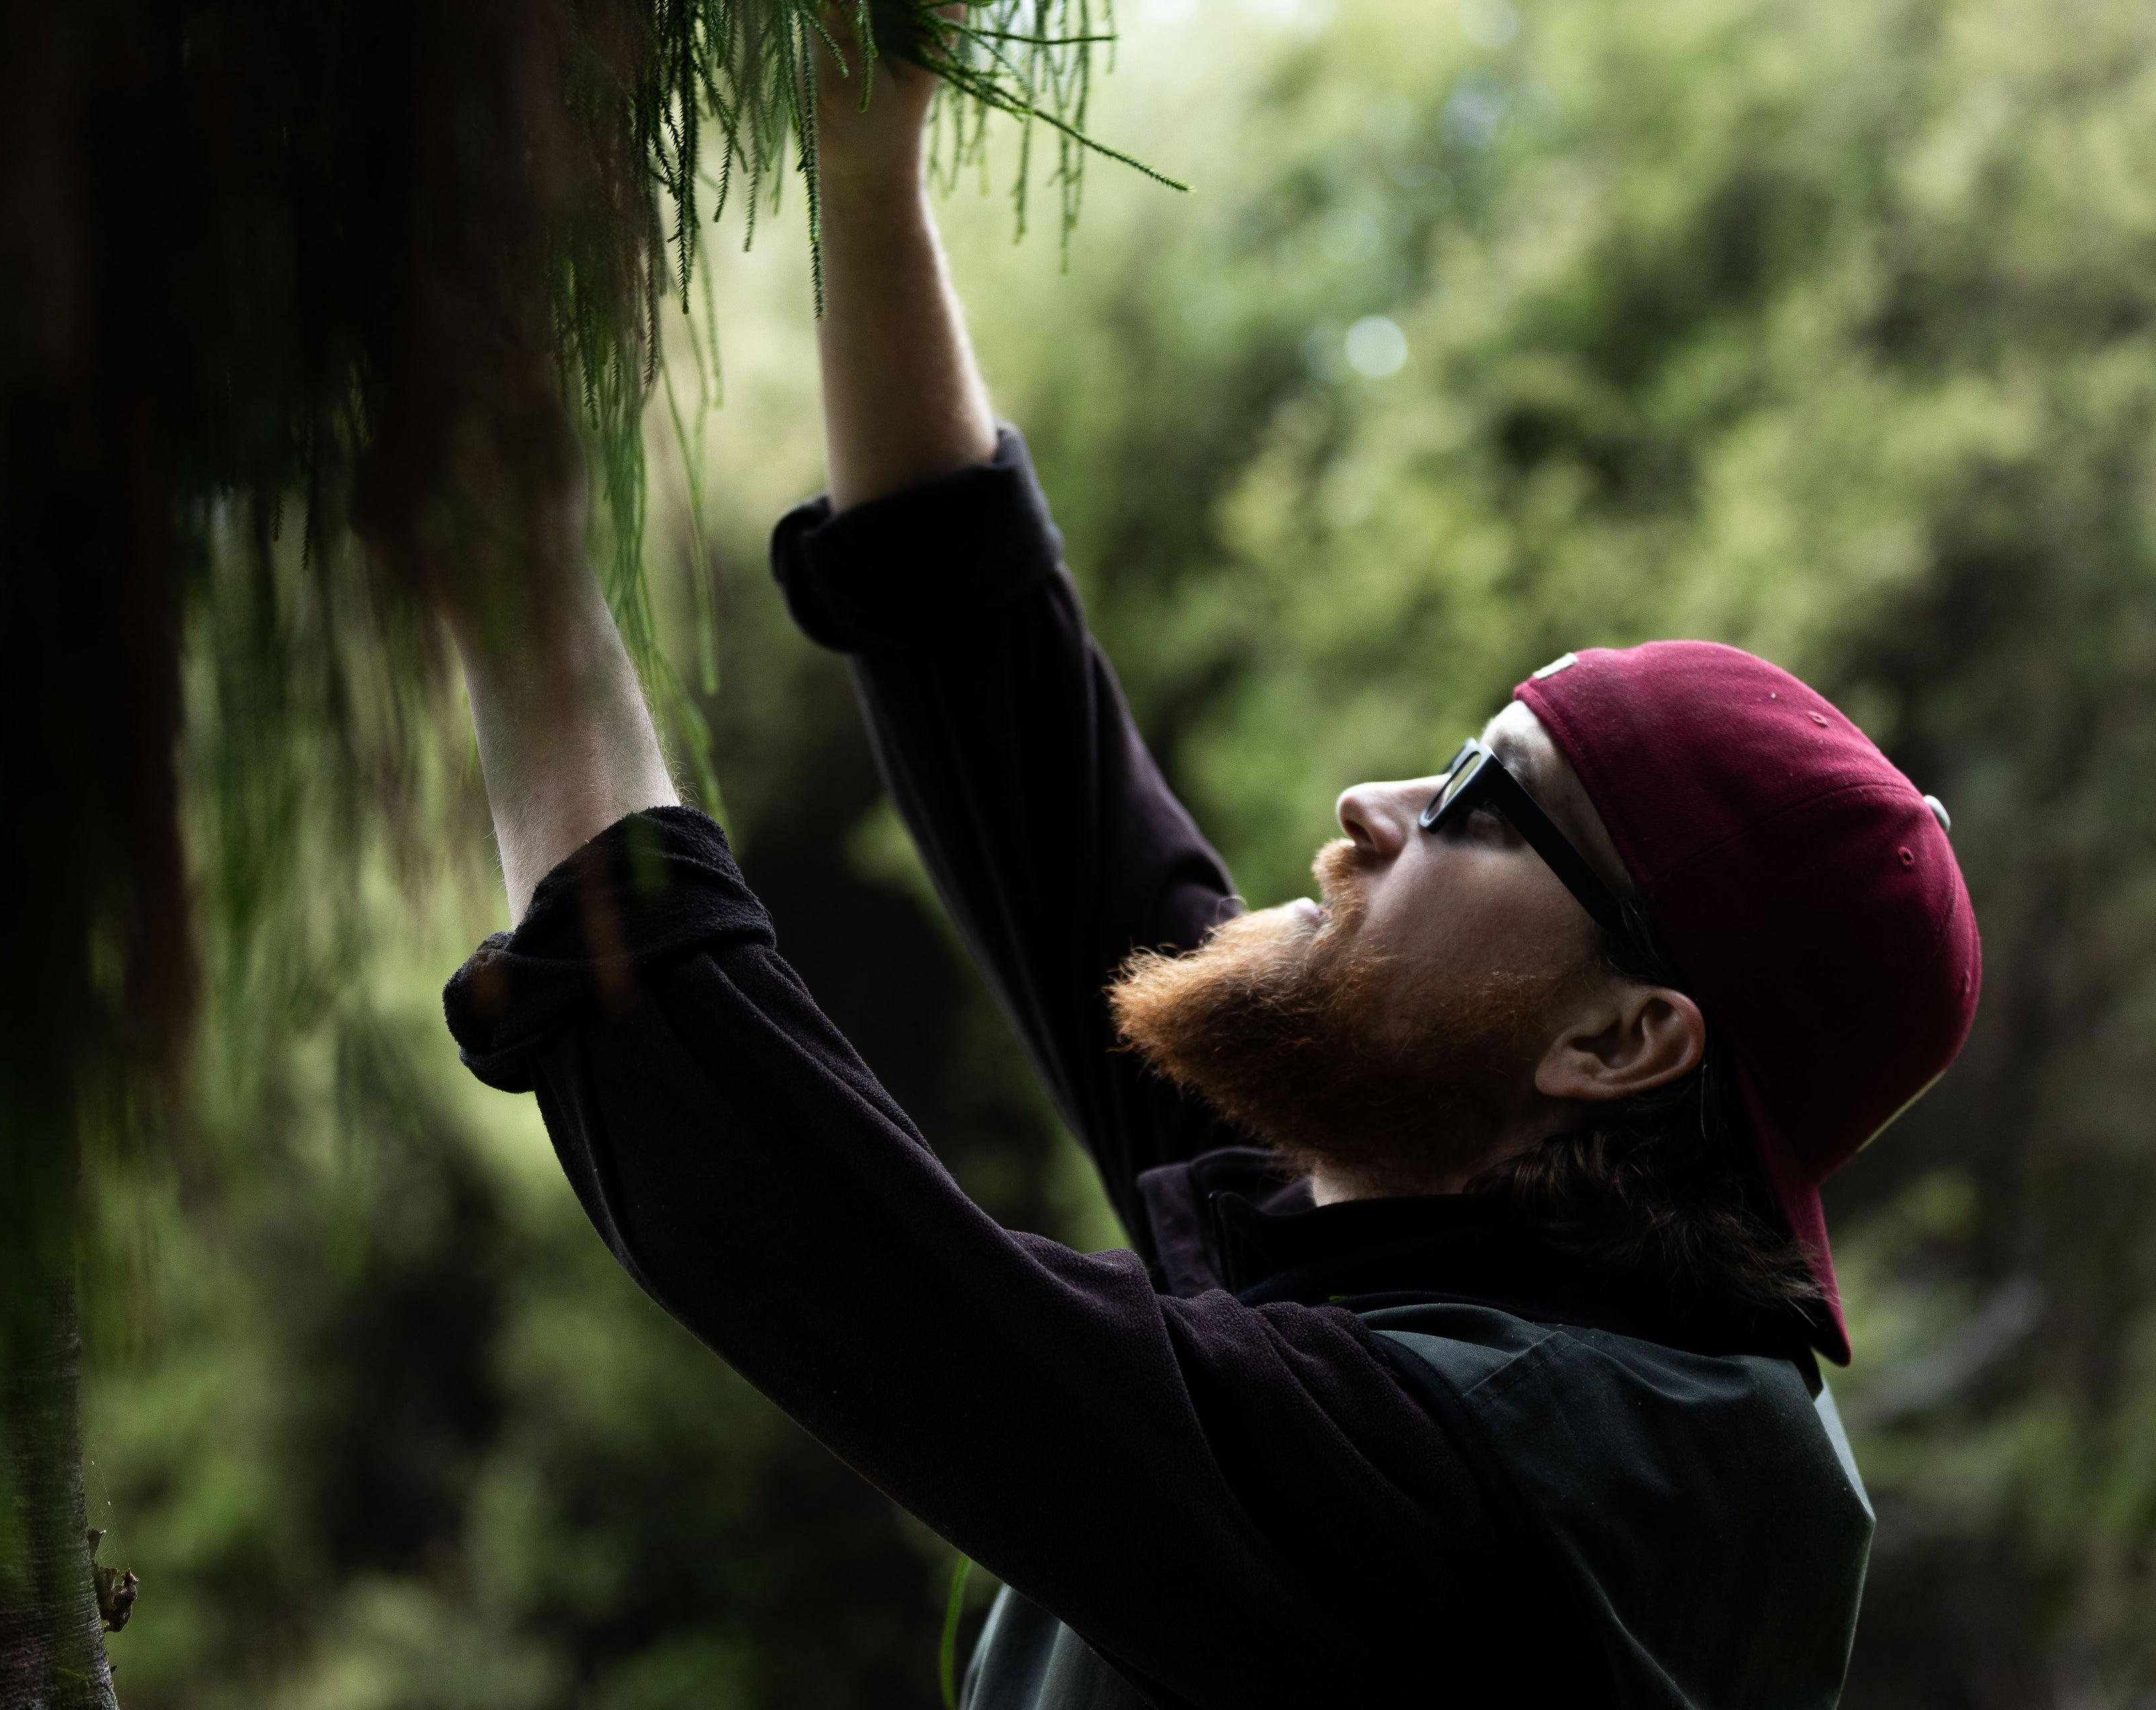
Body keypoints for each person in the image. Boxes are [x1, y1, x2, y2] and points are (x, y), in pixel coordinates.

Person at [435, 33, 1981, 1710]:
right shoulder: (1461, 1238)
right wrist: (865, 158)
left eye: (1478, 797)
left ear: (1619, 1040)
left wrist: (475, 489)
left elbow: (823, 1241)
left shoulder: (1529, 1478)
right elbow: (1023, 748)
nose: (1369, 802)